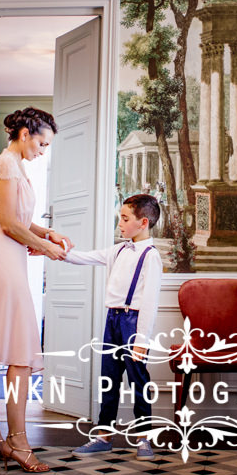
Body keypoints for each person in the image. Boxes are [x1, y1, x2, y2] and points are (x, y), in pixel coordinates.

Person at [0, 107, 72, 473]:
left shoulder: (16, 166)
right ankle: (15, 438)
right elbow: (9, 223)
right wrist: (47, 249)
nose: (42, 150)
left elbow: (20, 221)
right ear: (25, 132)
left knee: (1, 349)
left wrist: (47, 233)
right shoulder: (5, 165)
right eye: (41, 143)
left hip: (6, 254)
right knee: (16, 350)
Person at [67, 194, 164, 460]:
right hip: (112, 320)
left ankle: (144, 438)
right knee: (108, 380)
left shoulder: (150, 256)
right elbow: (85, 258)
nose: (119, 224)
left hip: (133, 324)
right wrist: (53, 250)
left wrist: (142, 339)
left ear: (143, 222)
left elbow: (150, 302)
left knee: (138, 381)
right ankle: (103, 436)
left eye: (124, 219)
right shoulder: (119, 249)